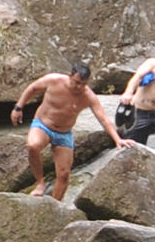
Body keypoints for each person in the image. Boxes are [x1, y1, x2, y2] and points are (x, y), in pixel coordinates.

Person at [13, 60, 106, 200]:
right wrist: (18, 107)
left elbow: (103, 118)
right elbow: (33, 88)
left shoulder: (88, 96)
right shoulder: (54, 80)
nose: (79, 87)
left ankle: (55, 206)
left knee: (63, 175)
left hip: (64, 133)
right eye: (76, 82)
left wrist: (118, 140)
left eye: (83, 84)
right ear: (70, 76)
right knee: (33, 145)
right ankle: (40, 184)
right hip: (43, 125)